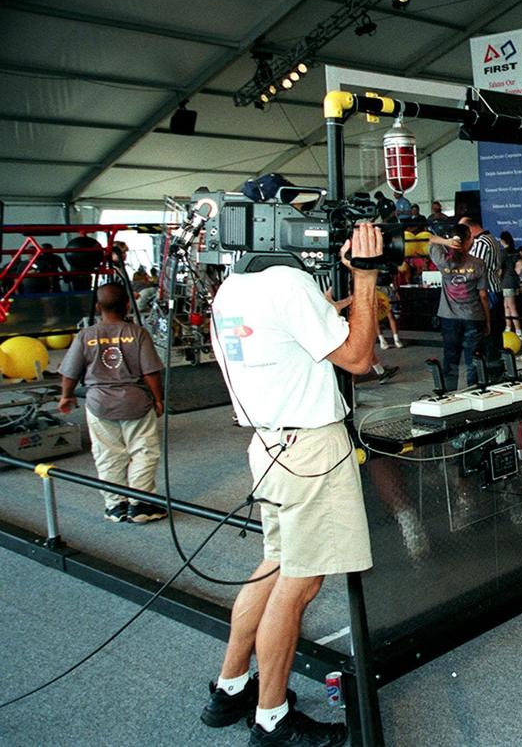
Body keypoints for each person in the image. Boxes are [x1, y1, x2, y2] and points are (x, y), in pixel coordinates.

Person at [202, 223, 382, 745]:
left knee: (276, 562)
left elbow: (280, 341)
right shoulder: (287, 284)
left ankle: (231, 686)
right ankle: (272, 716)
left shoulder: (232, 286)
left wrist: (327, 306)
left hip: (268, 443)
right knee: (300, 581)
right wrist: (366, 282)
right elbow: (359, 358)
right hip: (309, 449)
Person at [57, 282, 167, 524]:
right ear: (127, 305)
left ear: (97, 307)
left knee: (107, 454)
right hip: (136, 403)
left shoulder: (85, 335)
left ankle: (116, 505)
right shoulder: (138, 333)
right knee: (143, 452)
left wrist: (66, 396)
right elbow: (151, 373)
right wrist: (159, 399)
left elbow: (70, 372)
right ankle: (140, 505)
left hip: (100, 405)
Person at [429, 224, 490, 390]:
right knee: (474, 359)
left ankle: (449, 393)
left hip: (449, 318)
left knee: (450, 358)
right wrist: (487, 320)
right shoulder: (478, 263)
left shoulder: (443, 261)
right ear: (468, 240)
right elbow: (483, 295)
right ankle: (475, 392)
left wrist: (446, 241)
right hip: (473, 316)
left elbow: (430, 239)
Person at [460, 214, 503, 371]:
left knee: (487, 332)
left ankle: (488, 368)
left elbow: (473, 269)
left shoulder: (481, 243)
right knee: (493, 333)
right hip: (494, 288)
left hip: (487, 291)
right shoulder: (492, 239)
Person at [498, 231, 522, 336]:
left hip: (507, 282)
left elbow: (499, 269)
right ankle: (508, 327)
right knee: (506, 305)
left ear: (503, 241)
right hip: (515, 281)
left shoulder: (503, 253)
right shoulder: (516, 252)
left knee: (511, 306)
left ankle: (518, 330)